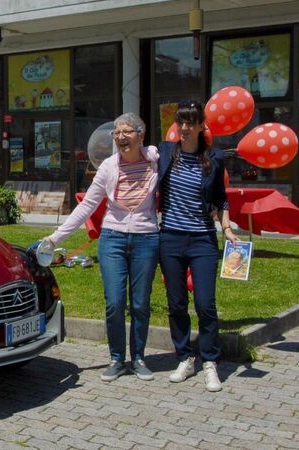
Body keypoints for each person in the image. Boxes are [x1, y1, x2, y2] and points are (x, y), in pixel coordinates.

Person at [44, 113, 159, 382]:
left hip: (146, 239)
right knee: (115, 303)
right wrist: (55, 239)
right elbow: (87, 206)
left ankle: (139, 357)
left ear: (141, 135)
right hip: (113, 240)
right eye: (116, 133)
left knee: (141, 304)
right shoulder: (109, 166)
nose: (120, 137)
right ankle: (117, 358)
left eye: (127, 132)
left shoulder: (155, 161)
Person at [157, 100, 238, 392]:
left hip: (203, 238)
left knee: (205, 304)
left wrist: (227, 229)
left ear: (203, 125)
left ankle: (210, 362)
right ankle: (184, 357)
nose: (185, 127)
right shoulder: (165, 153)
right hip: (171, 239)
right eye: (181, 121)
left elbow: (221, 197)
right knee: (176, 303)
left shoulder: (214, 157)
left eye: (192, 122)